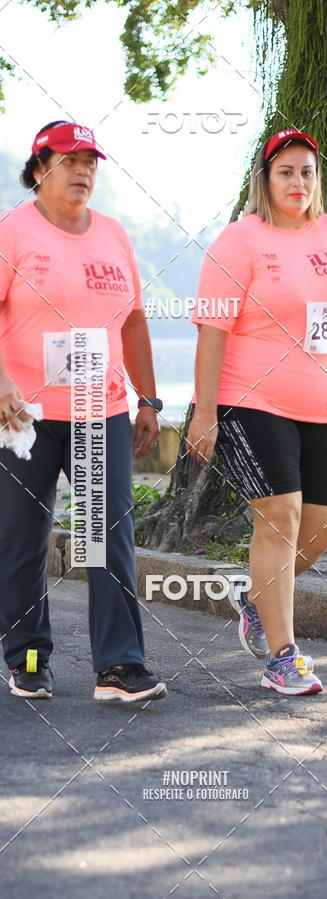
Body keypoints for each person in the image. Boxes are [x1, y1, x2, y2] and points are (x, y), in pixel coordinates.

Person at [188, 129, 327, 695]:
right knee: (280, 514)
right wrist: (203, 411)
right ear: (265, 180)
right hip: (250, 397)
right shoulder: (240, 240)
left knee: (324, 527)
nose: (298, 182)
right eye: (285, 171)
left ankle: (256, 595)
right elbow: (212, 330)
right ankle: (283, 657)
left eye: (307, 171)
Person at [0, 121, 167, 702]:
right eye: (69, 160)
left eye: (91, 161)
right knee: (24, 540)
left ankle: (119, 667)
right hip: (24, 418)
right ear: (39, 167)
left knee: (106, 537)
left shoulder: (115, 236)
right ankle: (26, 659)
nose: (82, 171)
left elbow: (134, 322)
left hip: (101, 410)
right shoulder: (12, 231)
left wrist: (147, 399)